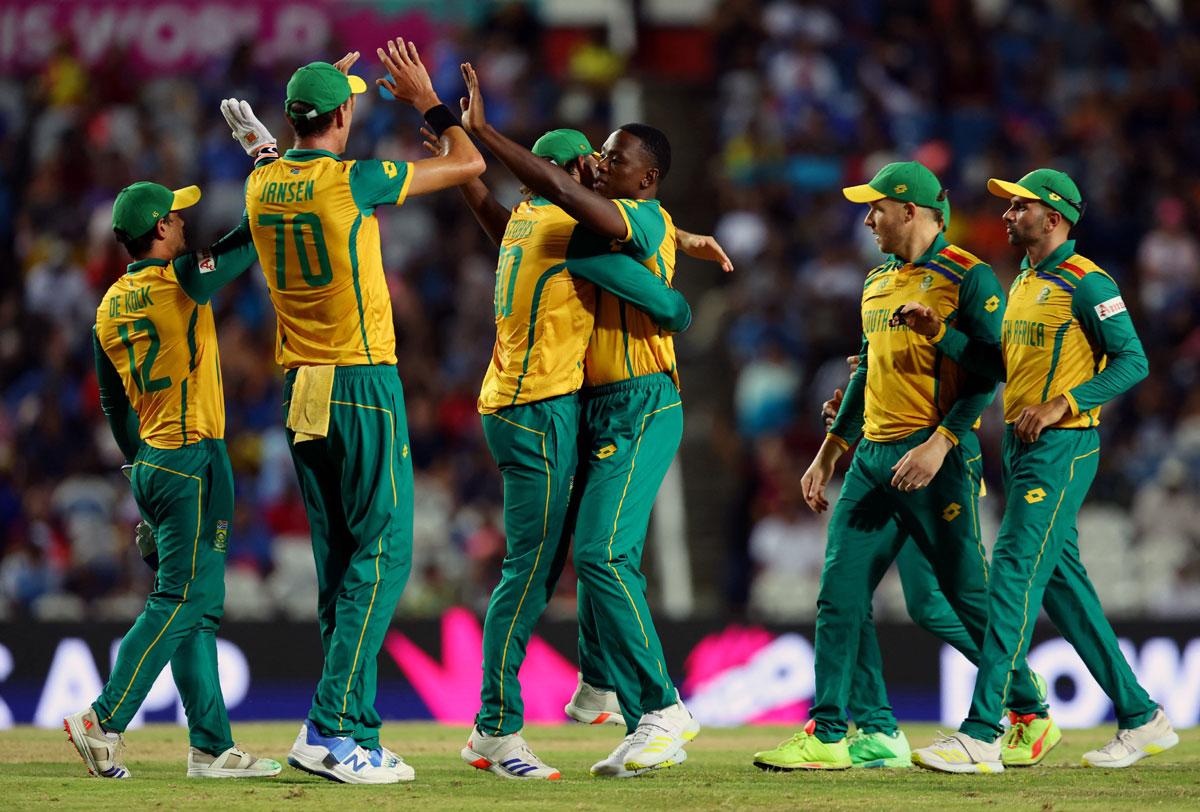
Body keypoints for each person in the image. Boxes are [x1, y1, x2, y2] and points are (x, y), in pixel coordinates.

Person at [422, 120, 727, 779]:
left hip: (642, 400)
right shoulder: (571, 227)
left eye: (612, 158)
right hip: (592, 408)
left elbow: (657, 293)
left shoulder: (638, 217)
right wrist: (453, 144)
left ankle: (662, 710)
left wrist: (465, 133)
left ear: (643, 178)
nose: (599, 163)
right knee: (591, 553)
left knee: (600, 553)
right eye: (596, 156)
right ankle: (598, 684)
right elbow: (519, 217)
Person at [234, 40, 485, 784]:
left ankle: (360, 732)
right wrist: (429, 105)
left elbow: (274, 161)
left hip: (301, 388)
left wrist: (314, 104)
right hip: (358, 381)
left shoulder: (260, 186)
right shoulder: (353, 183)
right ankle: (332, 728)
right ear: (342, 115)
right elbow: (468, 163)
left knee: (342, 565)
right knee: (387, 552)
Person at [751, 161, 1049, 772]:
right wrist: (831, 449)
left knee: (965, 596)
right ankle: (846, 732)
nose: (867, 219)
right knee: (839, 596)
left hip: (938, 458)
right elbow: (865, 371)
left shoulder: (968, 277)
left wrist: (941, 439)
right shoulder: (876, 281)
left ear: (910, 211)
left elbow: (994, 370)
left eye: (877, 208)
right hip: (872, 459)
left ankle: (1025, 704)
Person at [901, 169, 1178, 773]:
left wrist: (1063, 403)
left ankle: (981, 733)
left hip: (1064, 445)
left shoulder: (1089, 282)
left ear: (1052, 218)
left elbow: (1133, 360)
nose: (1005, 215)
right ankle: (1141, 716)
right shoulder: (1025, 280)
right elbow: (999, 362)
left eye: (1018, 206)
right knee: (1064, 588)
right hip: (1024, 450)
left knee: (1011, 575)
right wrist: (940, 332)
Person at [65, 181, 279, 781]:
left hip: (155, 459)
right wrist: (270, 174)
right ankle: (103, 720)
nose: (185, 222)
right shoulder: (179, 282)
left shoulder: (108, 306)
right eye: (177, 215)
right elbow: (247, 243)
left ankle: (211, 748)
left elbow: (113, 405)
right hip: (192, 460)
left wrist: (141, 468)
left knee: (197, 608)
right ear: (159, 227)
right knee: (179, 600)